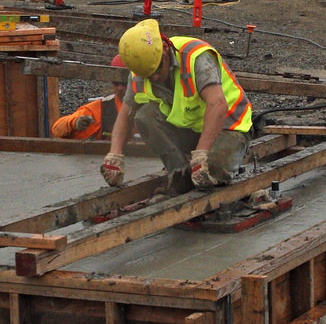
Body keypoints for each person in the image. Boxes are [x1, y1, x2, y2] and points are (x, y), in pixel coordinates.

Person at [100, 19, 253, 196]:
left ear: (165, 49)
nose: (155, 78)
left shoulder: (196, 57)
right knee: (144, 117)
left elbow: (217, 105)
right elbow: (126, 115)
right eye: (149, 76)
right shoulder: (141, 71)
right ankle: (180, 173)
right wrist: (115, 154)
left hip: (230, 125)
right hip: (192, 127)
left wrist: (201, 154)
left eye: (157, 70)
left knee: (213, 169)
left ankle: (206, 166)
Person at [51, 55, 129, 140]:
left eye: (125, 83)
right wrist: (74, 123)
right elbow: (57, 129)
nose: (120, 88)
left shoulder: (145, 106)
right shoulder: (104, 108)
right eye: (116, 83)